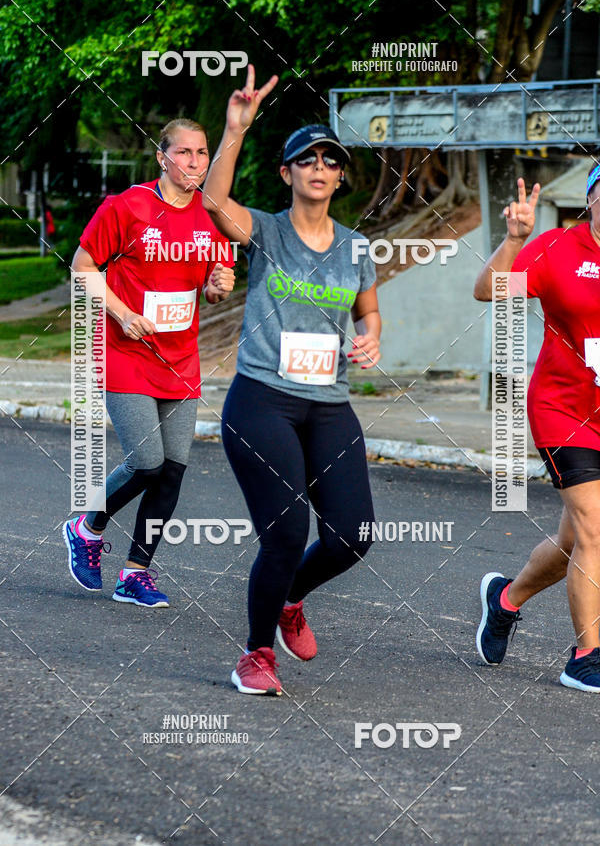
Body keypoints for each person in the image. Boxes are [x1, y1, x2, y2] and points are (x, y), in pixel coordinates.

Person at [203, 65, 381, 696]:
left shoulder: (358, 247)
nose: (318, 167)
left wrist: (372, 337)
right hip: (262, 402)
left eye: (330, 160)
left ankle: (291, 600)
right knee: (286, 531)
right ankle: (254, 654)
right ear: (287, 174)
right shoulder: (268, 231)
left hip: (328, 403)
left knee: (354, 534)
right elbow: (214, 203)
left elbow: (367, 308)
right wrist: (234, 128)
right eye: (306, 159)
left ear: (339, 176)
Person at [62, 118, 235, 607]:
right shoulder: (129, 206)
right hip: (125, 351)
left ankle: (135, 573)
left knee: (173, 469)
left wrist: (218, 289)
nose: (194, 162)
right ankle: (87, 526)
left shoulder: (211, 215)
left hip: (179, 357)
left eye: (201, 153)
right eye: (183, 152)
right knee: (146, 461)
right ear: (162, 157)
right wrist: (120, 311)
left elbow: (213, 284)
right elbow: (82, 266)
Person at [474, 168, 600, 691]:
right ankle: (586, 656)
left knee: (577, 539)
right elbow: (487, 291)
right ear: (591, 198)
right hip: (562, 409)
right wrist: (514, 239)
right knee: (596, 528)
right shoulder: (557, 248)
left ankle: (505, 599)